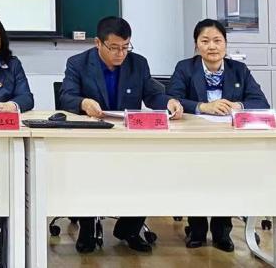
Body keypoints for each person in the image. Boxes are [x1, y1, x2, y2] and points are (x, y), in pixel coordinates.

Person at [59, 15, 183, 254]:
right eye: (114, 47)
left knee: (150, 170)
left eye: (126, 47)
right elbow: (66, 96)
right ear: (98, 43)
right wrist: (83, 103)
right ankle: (87, 227)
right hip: (92, 139)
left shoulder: (138, 64)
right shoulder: (78, 63)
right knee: (84, 170)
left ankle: (129, 229)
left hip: (128, 138)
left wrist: (169, 102)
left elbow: (153, 95)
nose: (121, 53)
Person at [168, 18, 270, 252]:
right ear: (196, 45)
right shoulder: (185, 68)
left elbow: (261, 102)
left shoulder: (239, 70)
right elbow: (172, 98)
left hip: (230, 140)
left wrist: (238, 106)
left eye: (217, 40)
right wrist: (203, 106)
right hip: (194, 140)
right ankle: (197, 229)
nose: (212, 46)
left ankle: (222, 231)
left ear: (225, 43)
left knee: (227, 177)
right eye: (205, 41)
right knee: (195, 177)